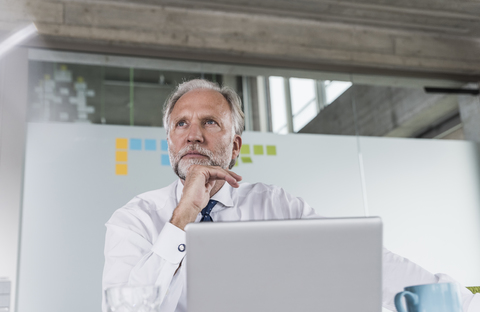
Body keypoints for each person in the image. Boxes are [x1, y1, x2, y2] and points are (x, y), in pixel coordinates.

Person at [102, 79, 479, 312]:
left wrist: (462, 303)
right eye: (181, 124)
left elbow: (359, 262)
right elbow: (125, 308)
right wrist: (182, 218)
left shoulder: (274, 205)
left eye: (210, 122)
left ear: (235, 146)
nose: (193, 134)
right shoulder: (135, 219)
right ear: (169, 142)